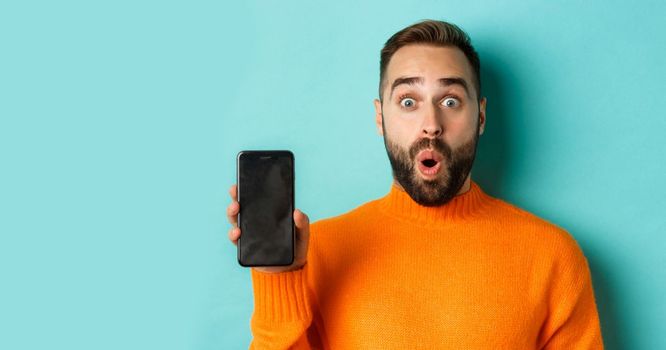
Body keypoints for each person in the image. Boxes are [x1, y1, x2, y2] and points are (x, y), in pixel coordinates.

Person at [225, 19, 603, 349]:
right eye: (408, 101)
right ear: (380, 117)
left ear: (482, 116)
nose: (431, 124)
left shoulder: (552, 257)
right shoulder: (318, 253)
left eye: (451, 101)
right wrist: (278, 279)